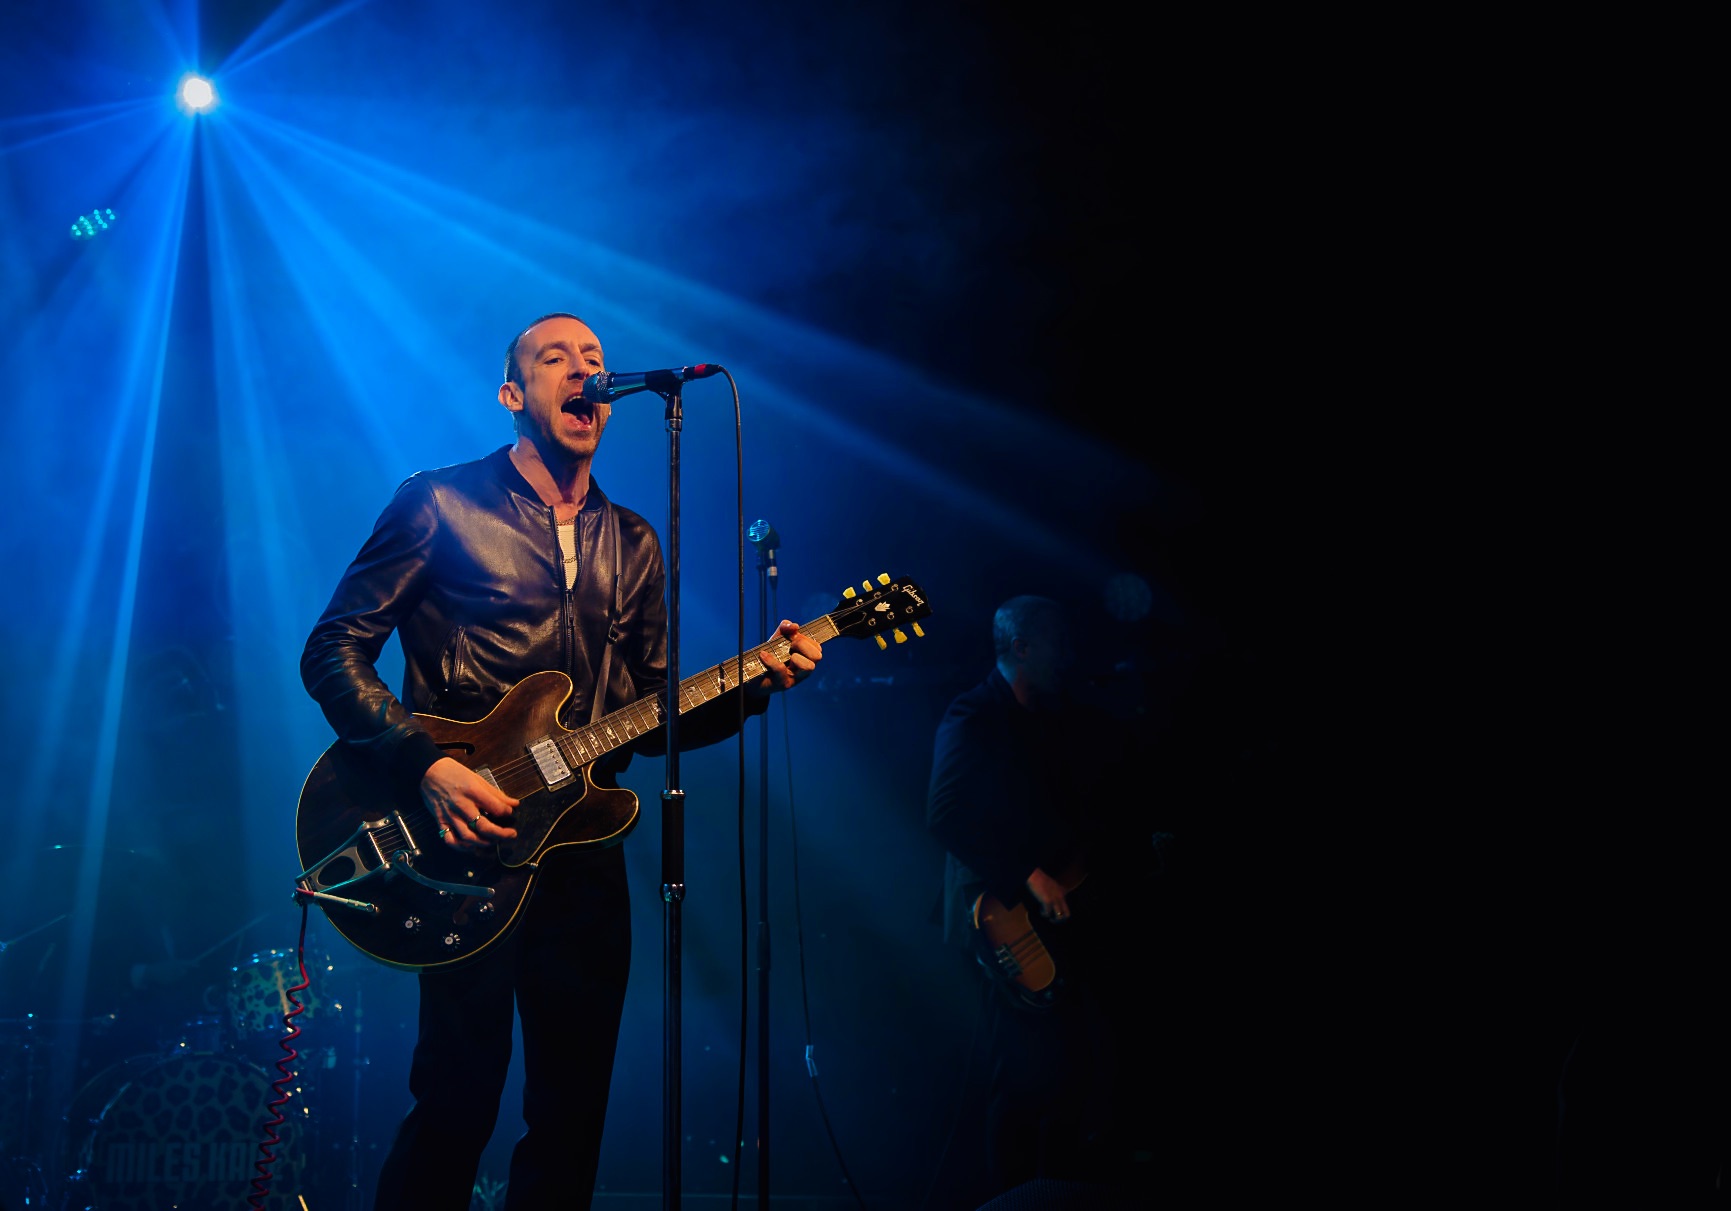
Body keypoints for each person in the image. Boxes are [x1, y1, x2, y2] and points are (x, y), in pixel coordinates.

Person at [300, 312, 823, 1211]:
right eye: (557, 358)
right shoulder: (439, 503)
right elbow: (332, 650)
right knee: (457, 1102)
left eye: (595, 360)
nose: (584, 371)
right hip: (460, 842)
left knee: (572, 1117)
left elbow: (652, 718)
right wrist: (425, 765)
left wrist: (756, 683)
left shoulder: (634, 542)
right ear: (513, 394)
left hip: (582, 857)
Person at [925, 595, 1171, 1204]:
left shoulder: (1058, 719)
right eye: (1058, 642)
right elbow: (945, 814)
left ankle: (1051, 1195)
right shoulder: (974, 713)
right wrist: (1028, 875)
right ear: (1023, 647)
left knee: (1071, 1073)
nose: (1069, 655)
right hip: (998, 915)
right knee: (1022, 1079)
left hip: (1057, 920)